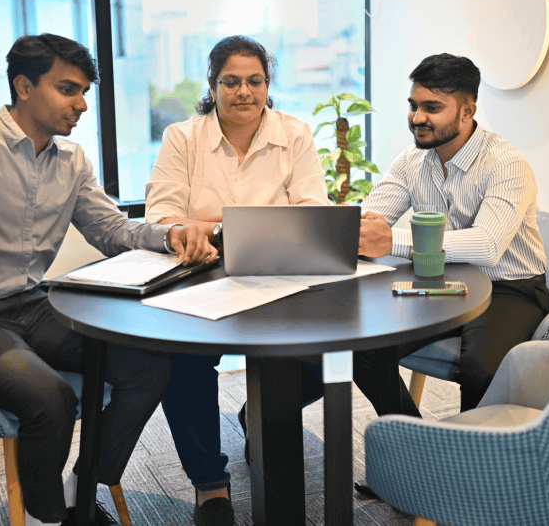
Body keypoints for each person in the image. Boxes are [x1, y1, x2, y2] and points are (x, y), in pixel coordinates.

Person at [0, 34, 216, 526]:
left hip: (35, 303)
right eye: (68, 90)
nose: (82, 105)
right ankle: (46, 519)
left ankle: (81, 489)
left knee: (151, 367)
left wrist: (171, 234)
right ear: (24, 86)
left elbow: (111, 230)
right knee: (50, 399)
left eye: (84, 93)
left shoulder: (71, 161)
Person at [145, 35, 415, 526]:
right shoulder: (182, 138)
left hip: (282, 275)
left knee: (330, 345)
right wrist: (235, 227)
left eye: (254, 80)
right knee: (183, 359)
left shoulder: (294, 133)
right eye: (231, 81)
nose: (243, 91)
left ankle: (265, 419)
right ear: (213, 85)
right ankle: (210, 485)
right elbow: (163, 217)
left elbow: (310, 210)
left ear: (267, 84)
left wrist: (212, 222)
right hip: (203, 276)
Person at [354, 53, 549, 495]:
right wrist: (349, 228)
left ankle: (471, 484)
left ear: (467, 111)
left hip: (508, 287)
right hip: (440, 282)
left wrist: (392, 241)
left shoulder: (506, 163)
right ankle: (419, 460)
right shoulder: (413, 161)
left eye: (432, 108)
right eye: (413, 105)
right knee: (363, 350)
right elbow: (371, 219)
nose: (417, 118)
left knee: (480, 367)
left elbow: (486, 245)